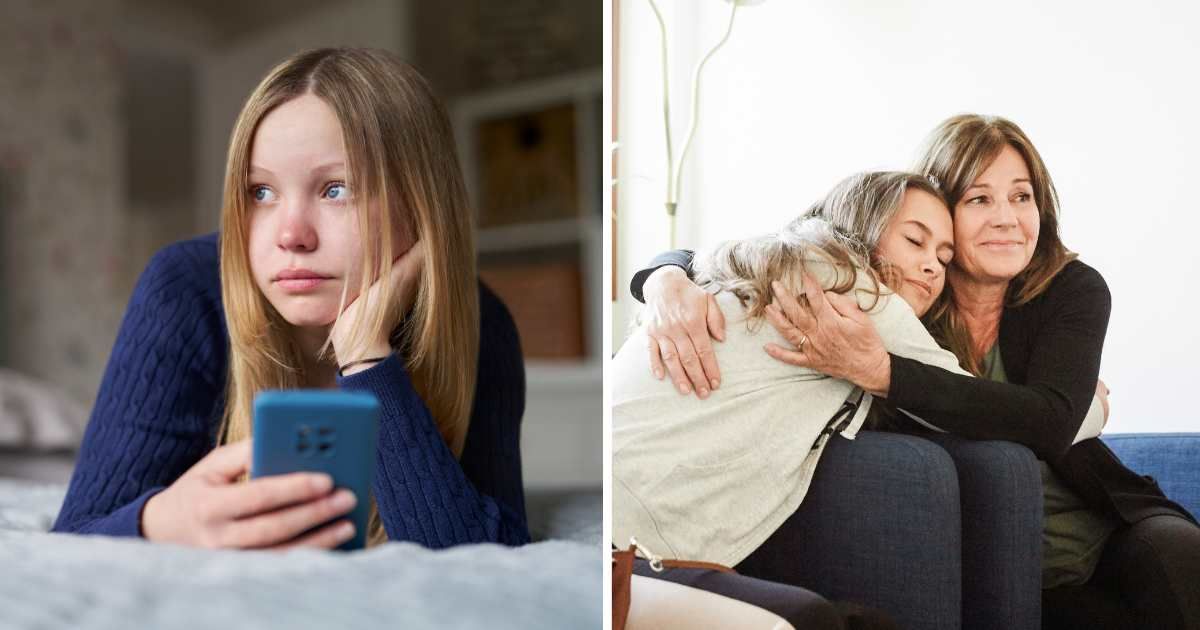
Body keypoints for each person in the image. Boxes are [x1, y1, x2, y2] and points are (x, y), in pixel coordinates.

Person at [634, 114, 1199, 629]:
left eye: (1021, 196)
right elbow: (775, 243)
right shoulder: (898, 290)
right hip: (996, 551)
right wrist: (663, 277)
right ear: (936, 206)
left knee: (1181, 558)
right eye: (979, 198)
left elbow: (1049, 424)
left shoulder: (1071, 290)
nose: (1006, 218)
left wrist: (882, 373)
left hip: (1099, 526)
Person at [51, 47, 529, 550]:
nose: (291, 235)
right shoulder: (183, 291)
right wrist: (158, 522)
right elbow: (74, 537)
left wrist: (366, 355)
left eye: (336, 189)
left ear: (421, 204)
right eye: (260, 192)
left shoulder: (480, 321)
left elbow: (485, 557)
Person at [615, 171, 967, 629]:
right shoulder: (857, 292)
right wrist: (1094, 405)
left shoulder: (752, 265)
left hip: (634, 536)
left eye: (944, 257)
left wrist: (663, 272)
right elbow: (976, 402)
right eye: (915, 241)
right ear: (863, 225)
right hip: (629, 549)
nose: (933, 267)